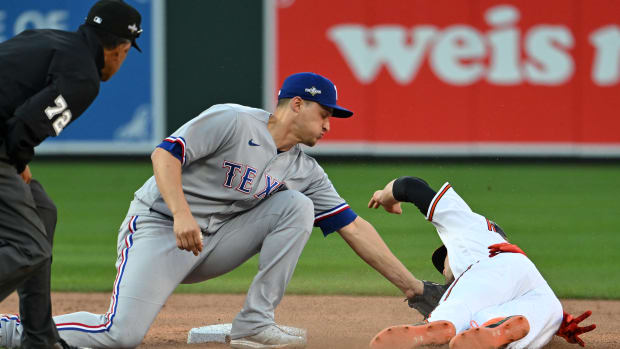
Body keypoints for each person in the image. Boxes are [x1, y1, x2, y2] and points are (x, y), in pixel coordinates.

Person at [1, 72, 427, 349]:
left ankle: (254, 323)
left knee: (296, 206)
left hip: (212, 242)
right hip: (159, 227)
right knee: (120, 334)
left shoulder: (304, 170)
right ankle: (13, 330)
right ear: (296, 104)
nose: (329, 125)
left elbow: (354, 229)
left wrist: (414, 289)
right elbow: (164, 156)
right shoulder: (234, 121)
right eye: (325, 113)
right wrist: (182, 213)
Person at [0, 1, 142, 348]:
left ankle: (39, 337)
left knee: (42, 210)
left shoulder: (45, 38)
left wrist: (17, 159)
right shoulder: (83, 76)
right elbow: (24, 127)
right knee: (29, 247)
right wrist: (16, 162)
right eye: (125, 52)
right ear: (120, 48)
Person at [367, 176, 596, 349]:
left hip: (487, 267)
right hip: (536, 287)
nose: (445, 270)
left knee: (459, 310)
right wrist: (558, 323)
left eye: (442, 261)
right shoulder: (504, 250)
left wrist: (384, 195)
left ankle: (434, 325)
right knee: (542, 314)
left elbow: (410, 185)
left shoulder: (466, 225)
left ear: (448, 252)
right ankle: (494, 329)